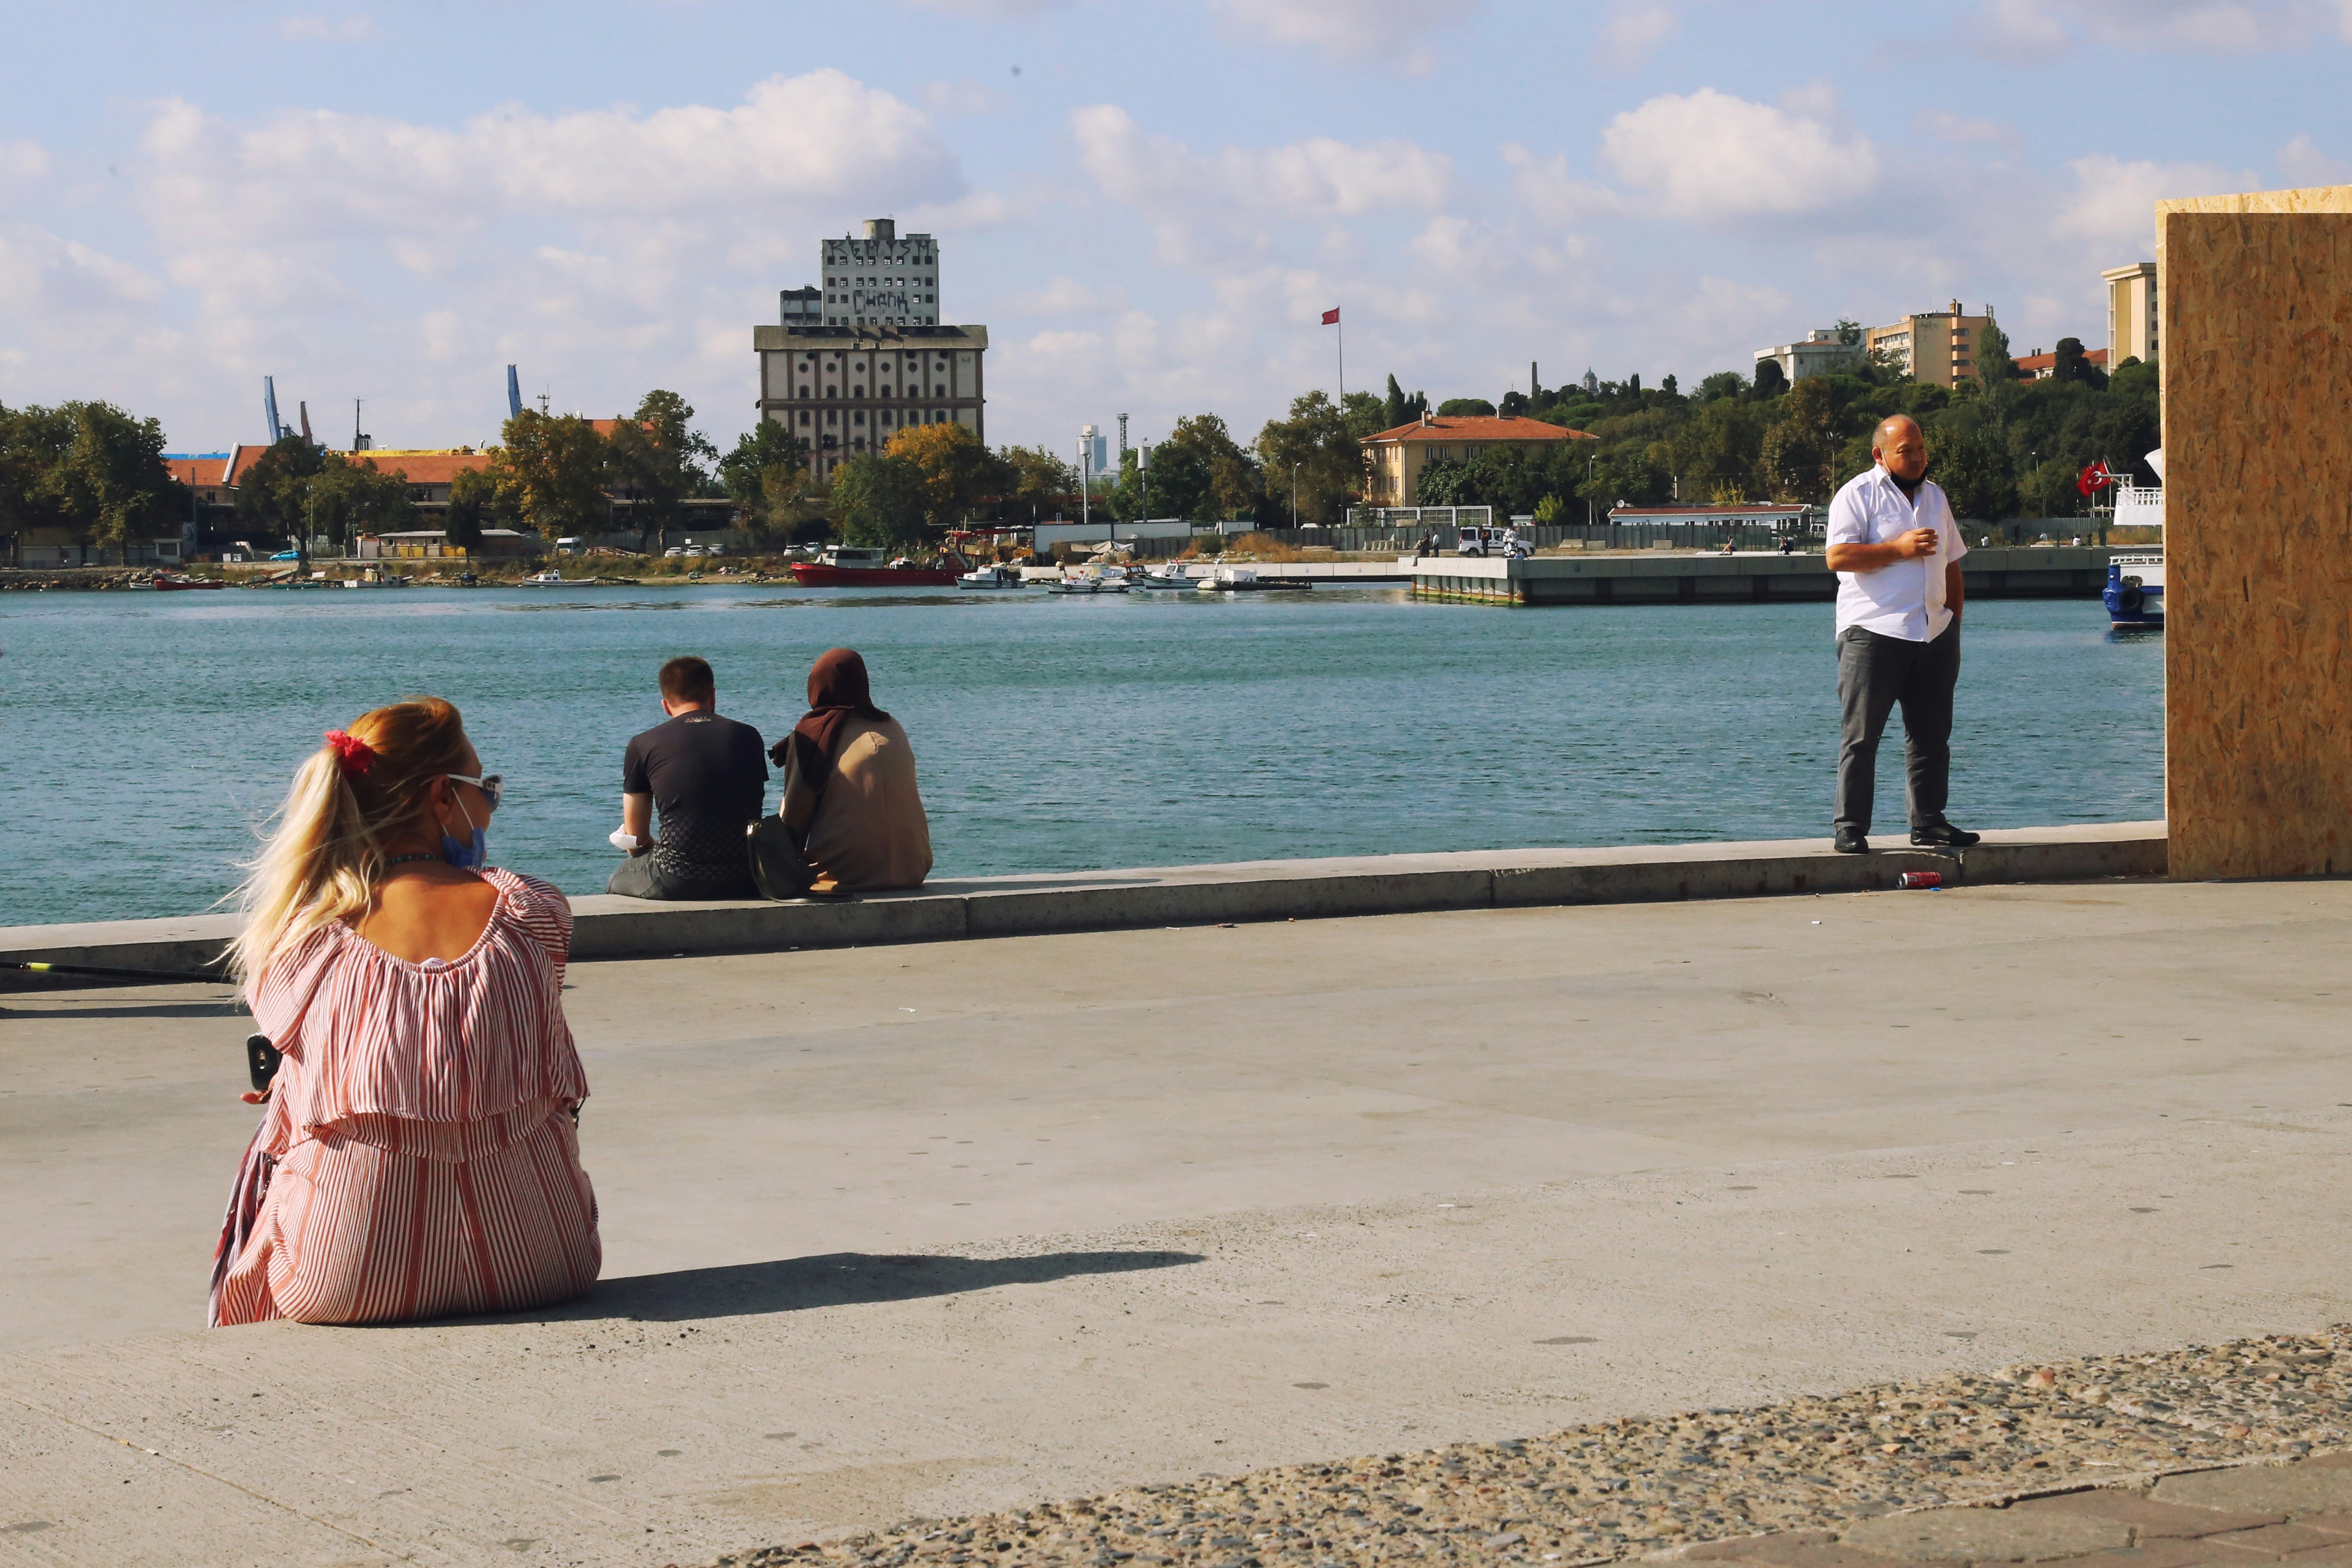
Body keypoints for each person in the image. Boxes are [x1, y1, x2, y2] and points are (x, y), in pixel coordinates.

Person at [210, 698, 599, 1327]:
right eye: (487, 789)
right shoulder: (534, 912)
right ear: (442, 797)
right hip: (547, 1263)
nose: (491, 808)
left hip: (341, 1282)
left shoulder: (297, 937)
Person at [1825, 416, 1981, 855]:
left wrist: (1952, 622)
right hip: (1873, 633)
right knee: (1862, 738)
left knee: (1932, 738)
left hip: (1933, 633)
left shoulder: (1936, 497)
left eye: (1920, 449)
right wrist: (1899, 549)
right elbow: (1837, 557)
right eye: (1905, 451)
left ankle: (1929, 823)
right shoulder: (1857, 494)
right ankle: (1851, 828)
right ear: (1880, 455)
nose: (1916, 458)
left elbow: (1952, 561)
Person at [772, 648, 933, 893]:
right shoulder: (892, 728)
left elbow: (793, 819)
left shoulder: (812, 735)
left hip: (841, 877)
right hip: (912, 872)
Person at [609, 655, 768, 900]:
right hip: (747, 876)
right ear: (713, 696)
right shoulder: (750, 737)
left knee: (618, 877)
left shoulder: (643, 744)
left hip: (678, 878)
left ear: (665, 705)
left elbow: (636, 838)